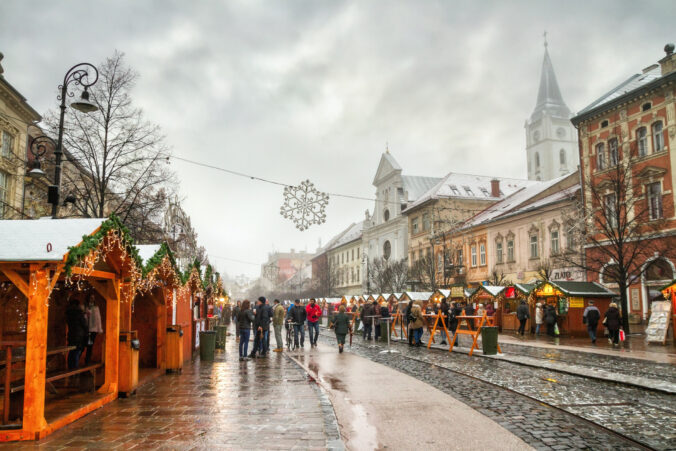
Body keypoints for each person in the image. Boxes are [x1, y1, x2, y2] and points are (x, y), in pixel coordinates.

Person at [66, 299, 88, 370]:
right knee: (77, 351)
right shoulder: (79, 313)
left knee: (71, 351)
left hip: (71, 334)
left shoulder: (68, 313)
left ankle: (70, 367)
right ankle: (75, 369)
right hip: (79, 335)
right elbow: (84, 324)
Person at [85, 295, 102, 365]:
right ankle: (86, 361)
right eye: (91, 297)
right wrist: (86, 315)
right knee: (84, 345)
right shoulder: (84, 307)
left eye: (93, 298)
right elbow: (84, 318)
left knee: (90, 346)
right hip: (85, 329)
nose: (92, 299)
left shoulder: (96, 308)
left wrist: (99, 329)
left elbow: (98, 318)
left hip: (93, 330)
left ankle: (87, 361)